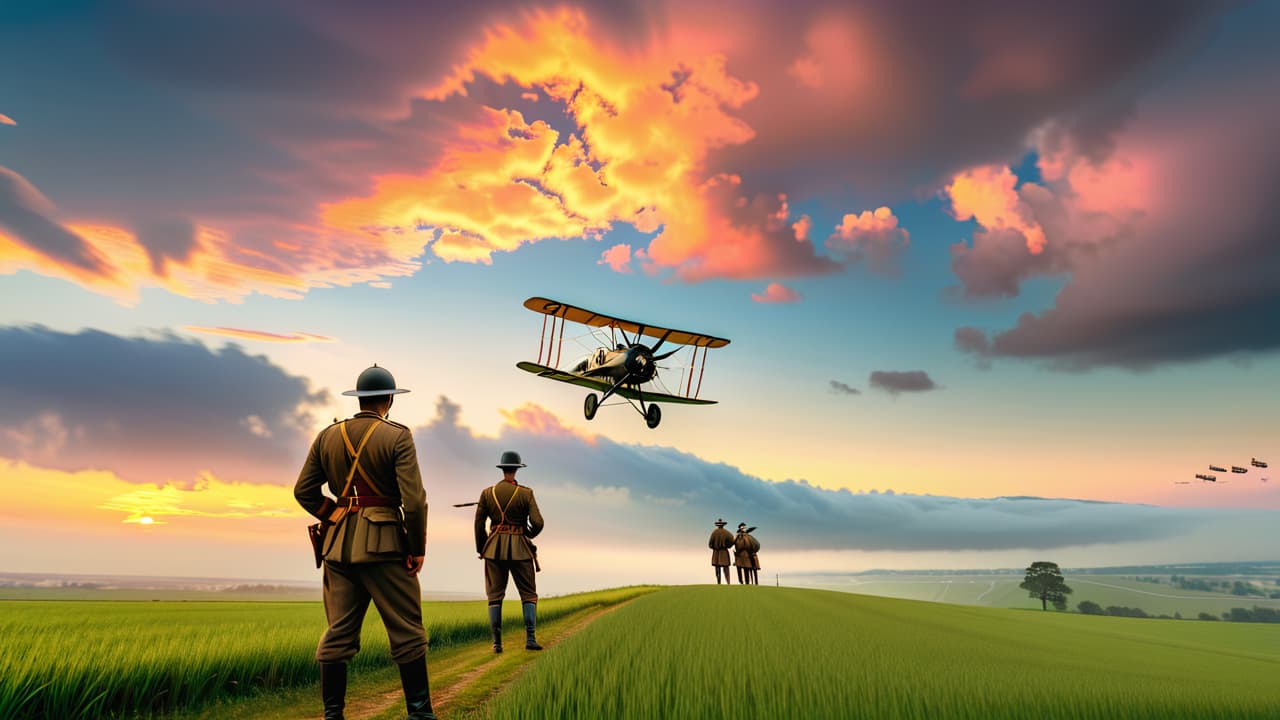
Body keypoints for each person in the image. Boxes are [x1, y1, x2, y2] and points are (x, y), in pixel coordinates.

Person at [294, 365, 436, 720]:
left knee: (338, 633)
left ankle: (332, 715)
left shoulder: (328, 435)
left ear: (359, 398)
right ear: (389, 400)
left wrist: (335, 515)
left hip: (338, 546)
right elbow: (414, 501)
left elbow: (303, 491)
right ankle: (420, 715)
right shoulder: (397, 436)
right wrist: (417, 548)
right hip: (385, 545)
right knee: (406, 631)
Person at [474, 450, 545, 653]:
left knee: (494, 596)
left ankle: (497, 644)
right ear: (516, 469)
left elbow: (478, 523)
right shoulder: (526, 493)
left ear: (503, 468)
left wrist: (482, 548)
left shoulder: (487, 493)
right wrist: (528, 534)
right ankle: (530, 639)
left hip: (493, 549)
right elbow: (538, 522)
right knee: (528, 594)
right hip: (520, 549)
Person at [707, 518, 734, 584]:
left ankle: (718, 582)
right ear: (723, 525)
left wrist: (714, 547)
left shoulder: (714, 532)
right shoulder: (727, 533)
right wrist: (728, 546)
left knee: (717, 568)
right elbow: (732, 541)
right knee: (726, 568)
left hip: (716, 552)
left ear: (717, 525)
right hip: (724, 552)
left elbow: (710, 544)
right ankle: (728, 582)